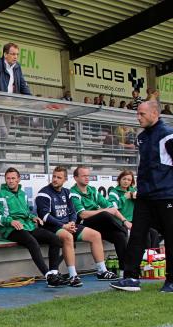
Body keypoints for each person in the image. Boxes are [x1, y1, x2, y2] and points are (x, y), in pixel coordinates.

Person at [111, 102, 173, 292]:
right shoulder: (142, 138)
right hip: (145, 196)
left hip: (166, 195)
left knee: (171, 237)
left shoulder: (167, 134)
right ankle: (130, 277)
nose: (138, 117)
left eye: (142, 114)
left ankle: (171, 280)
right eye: (137, 114)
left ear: (155, 113)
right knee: (137, 235)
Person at [0, 168, 68, 287]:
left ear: (18, 179)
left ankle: (54, 273)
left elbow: (26, 212)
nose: (10, 181)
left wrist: (33, 217)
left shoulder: (23, 194)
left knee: (55, 239)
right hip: (11, 230)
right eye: (8, 178)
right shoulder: (0, 195)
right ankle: (48, 276)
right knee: (32, 242)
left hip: (27, 227)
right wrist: (10, 221)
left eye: (13, 178)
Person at [36, 167, 111, 286]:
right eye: (54, 176)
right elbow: (44, 216)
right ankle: (73, 276)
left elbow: (73, 212)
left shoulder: (67, 192)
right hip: (52, 227)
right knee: (67, 237)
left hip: (68, 225)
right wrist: (63, 225)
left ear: (65, 179)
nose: (55, 179)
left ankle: (102, 271)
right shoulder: (44, 193)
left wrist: (71, 223)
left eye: (59, 177)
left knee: (95, 235)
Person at [69, 166, 127, 280]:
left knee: (119, 236)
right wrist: (104, 210)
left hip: (98, 224)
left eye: (88, 176)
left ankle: (124, 270)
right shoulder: (73, 193)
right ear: (75, 178)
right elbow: (82, 214)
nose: (87, 178)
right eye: (83, 176)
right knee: (105, 214)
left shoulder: (93, 190)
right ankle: (125, 231)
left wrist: (125, 221)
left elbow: (112, 208)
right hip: (83, 224)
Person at [108, 170, 160, 250]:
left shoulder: (133, 191)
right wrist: (124, 197)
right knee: (144, 233)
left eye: (129, 180)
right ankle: (144, 257)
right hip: (121, 222)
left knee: (154, 233)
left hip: (135, 221)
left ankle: (153, 256)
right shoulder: (114, 192)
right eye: (124, 179)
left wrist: (138, 199)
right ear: (119, 179)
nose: (126, 182)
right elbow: (112, 207)